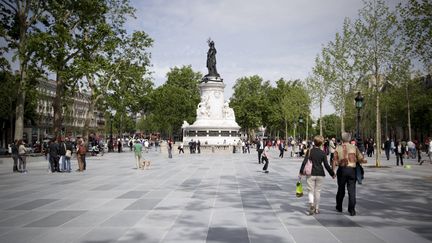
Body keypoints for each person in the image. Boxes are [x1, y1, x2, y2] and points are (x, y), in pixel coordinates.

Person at [299, 135, 335, 215]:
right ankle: (317, 208)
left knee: (310, 190)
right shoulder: (323, 153)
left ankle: (311, 204)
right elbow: (326, 165)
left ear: (314, 142)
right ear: (321, 143)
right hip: (320, 174)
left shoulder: (309, 151)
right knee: (318, 191)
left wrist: (301, 172)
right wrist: (332, 174)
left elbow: (304, 162)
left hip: (310, 173)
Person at [333, 132, 366, 216]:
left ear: (342, 139)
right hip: (352, 170)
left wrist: (333, 171)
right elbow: (361, 158)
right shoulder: (354, 147)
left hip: (342, 170)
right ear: (349, 139)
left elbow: (335, 161)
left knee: (341, 189)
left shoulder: (338, 148)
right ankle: (352, 209)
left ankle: (339, 206)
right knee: (352, 191)